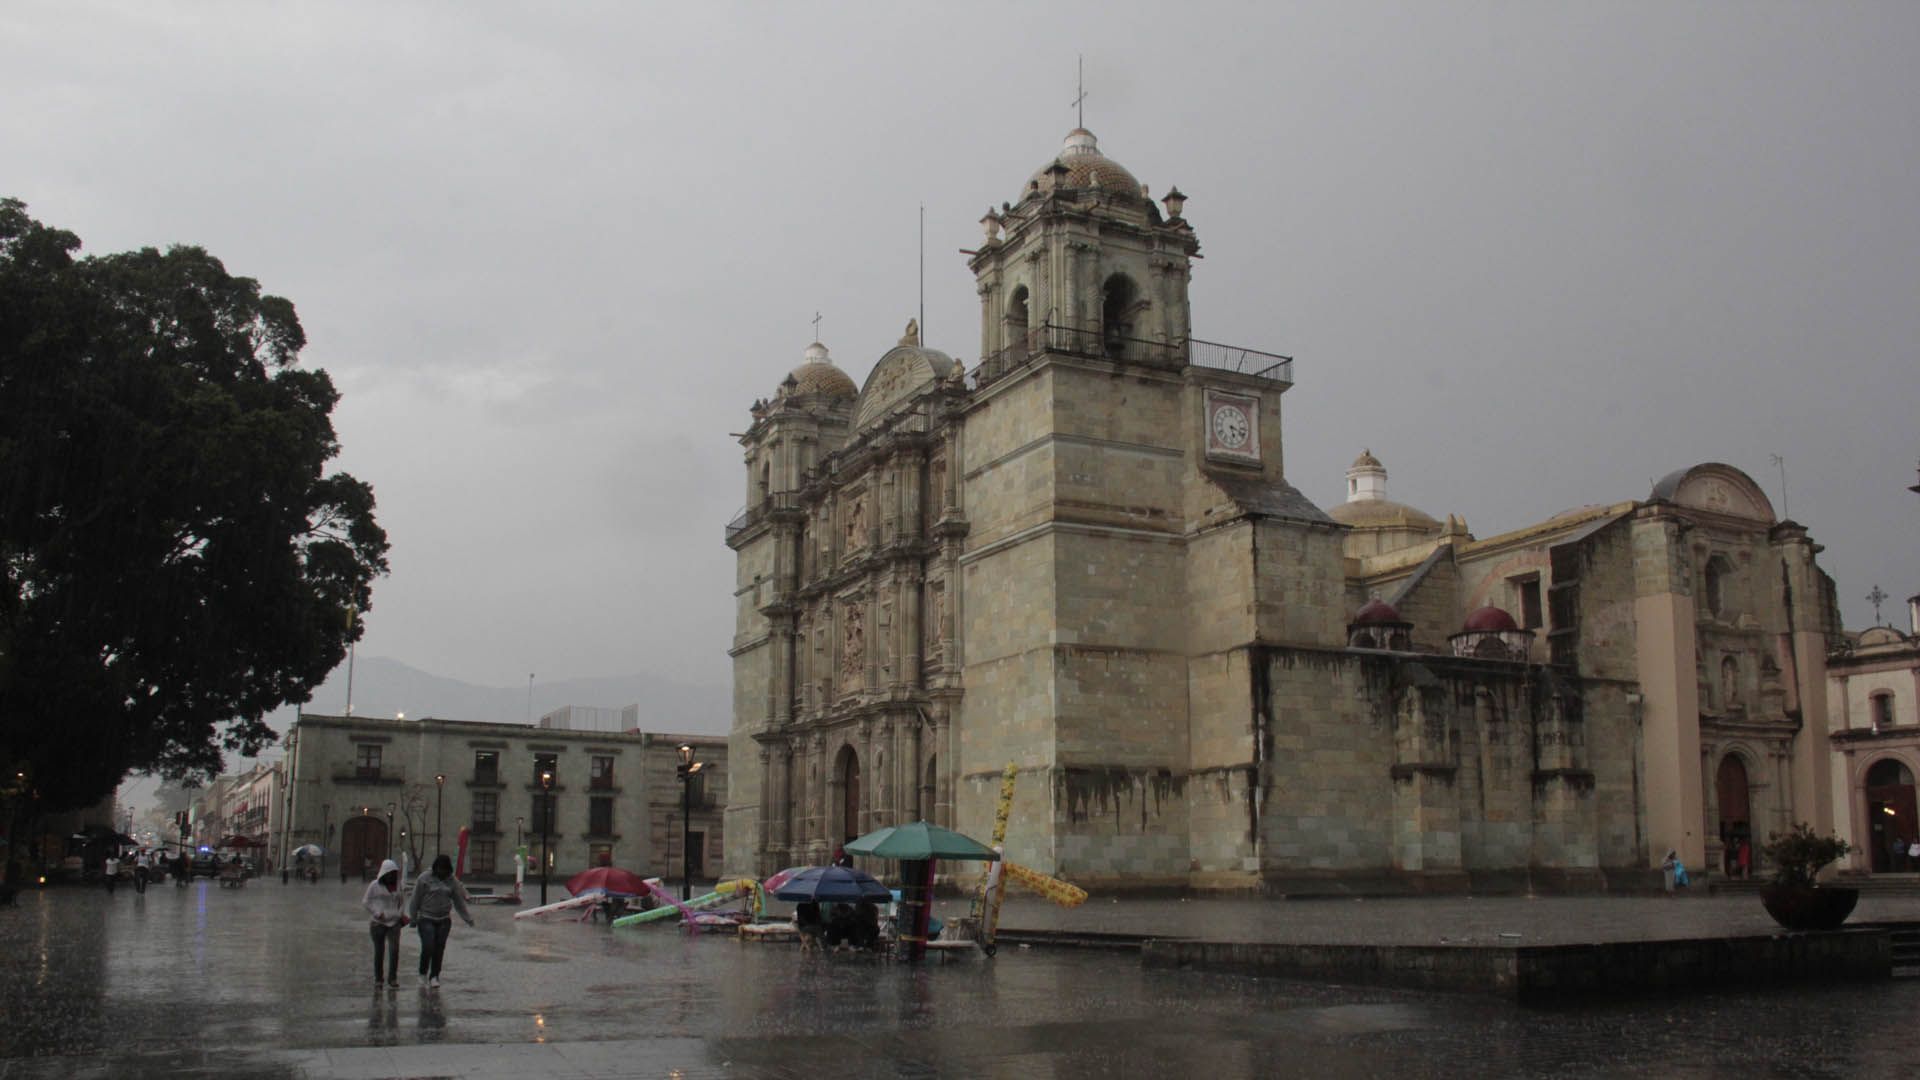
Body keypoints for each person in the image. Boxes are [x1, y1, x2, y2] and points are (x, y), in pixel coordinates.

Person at [406, 854, 474, 989]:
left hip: (444, 920)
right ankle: (422, 973)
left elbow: (458, 901)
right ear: (435, 867)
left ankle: (435, 976)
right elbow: (415, 899)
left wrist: (467, 918)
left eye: (445, 870)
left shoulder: (452, 880)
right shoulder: (424, 878)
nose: (442, 872)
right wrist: (413, 918)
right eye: (440, 869)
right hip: (426, 918)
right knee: (428, 946)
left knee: (439, 948)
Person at [362, 859, 407, 988]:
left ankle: (392, 978)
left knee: (394, 950)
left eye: (394, 873)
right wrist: (377, 913)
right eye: (390, 873)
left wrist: (399, 914)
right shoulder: (374, 885)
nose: (392, 876)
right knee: (379, 951)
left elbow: (402, 901)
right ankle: (379, 979)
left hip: (394, 923)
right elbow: (366, 901)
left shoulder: (398, 885)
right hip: (378, 923)